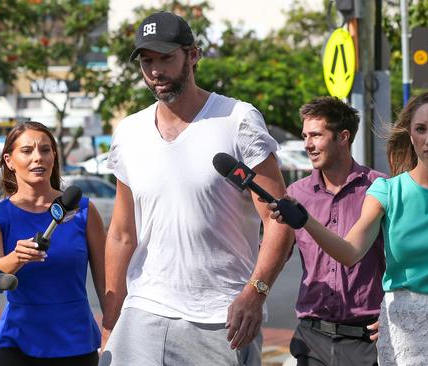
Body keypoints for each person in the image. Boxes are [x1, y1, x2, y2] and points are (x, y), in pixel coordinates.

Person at [99, 11, 293, 366]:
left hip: (221, 318)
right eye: (147, 61)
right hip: (144, 309)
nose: (155, 70)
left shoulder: (238, 120)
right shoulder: (129, 132)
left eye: (166, 58)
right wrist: (112, 321)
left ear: (193, 55)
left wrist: (256, 293)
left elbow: (279, 219)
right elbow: (122, 234)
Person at [270, 91, 428, 365]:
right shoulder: (386, 191)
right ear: (410, 135)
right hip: (401, 329)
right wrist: (306, 220)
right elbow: (350, 252)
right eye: (421, 129)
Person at [0, 121, 106, 366]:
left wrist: (112, 328)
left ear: (54, 156)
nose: (38, 157)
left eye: (45, 150)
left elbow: (107, 282)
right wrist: (17, 257)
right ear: (9, 160)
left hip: (76, 343)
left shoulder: (84, 211)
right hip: (17, 344)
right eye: (27, 151)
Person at [283, 97, 387, 365]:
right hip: (311, 337)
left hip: (367, 340)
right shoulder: (296, 193)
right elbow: (274, 255)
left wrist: (394, 314)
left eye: (316, 135)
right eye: (305, 135)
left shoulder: (379, 188)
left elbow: (402, 260)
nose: (307, 144)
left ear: (343, 137)